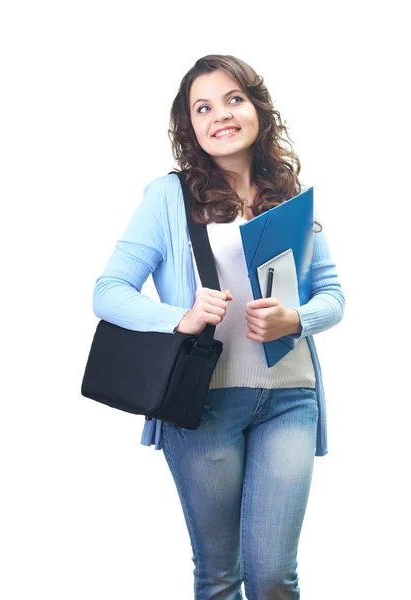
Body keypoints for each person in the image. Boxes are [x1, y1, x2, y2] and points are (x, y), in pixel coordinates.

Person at [92, 54, 345, 600]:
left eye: (233, 99)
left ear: (257, 108)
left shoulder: (290, 196)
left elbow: (334, 296)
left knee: (275, 575)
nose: (220, 115)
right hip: (204, 405)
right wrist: (178, 318)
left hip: (290, 400)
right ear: (190, 127)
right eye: (202, 107)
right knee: (219, 576)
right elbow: (107, 292)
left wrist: (296, 318)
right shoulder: (169, 197)